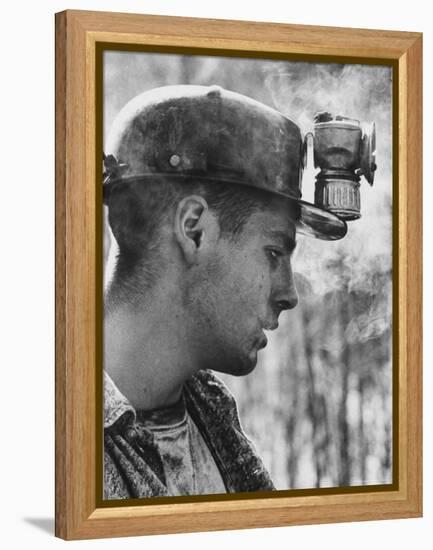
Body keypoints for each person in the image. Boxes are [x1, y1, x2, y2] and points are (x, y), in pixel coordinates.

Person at [102, 84, 347, 499]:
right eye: (273, 252)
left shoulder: (214, 421)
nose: (289, 294)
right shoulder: (44, 440)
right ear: (194, 229)